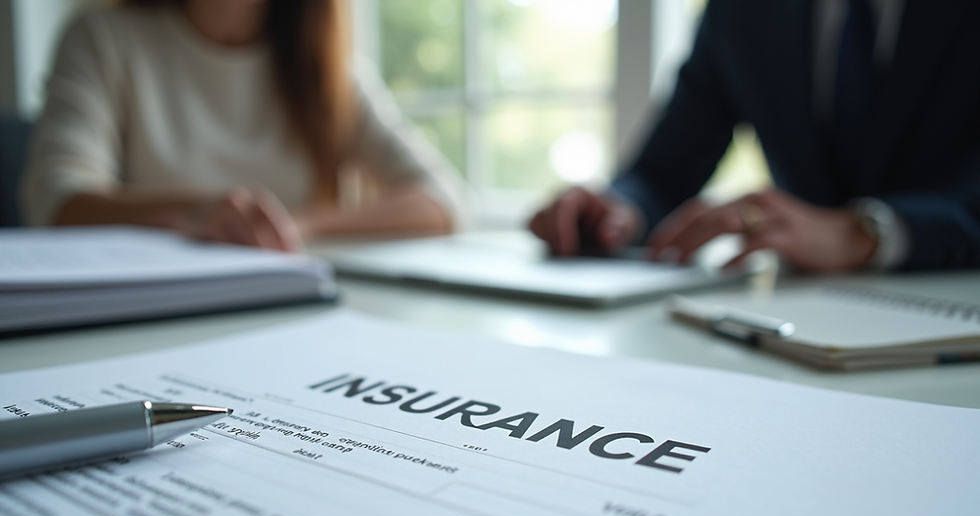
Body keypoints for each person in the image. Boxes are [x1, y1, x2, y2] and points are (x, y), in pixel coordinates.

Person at [530, 0, 980, 272]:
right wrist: (616, 210)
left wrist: (872, 232)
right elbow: (661, 176)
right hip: (797, 316)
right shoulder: (742, 10)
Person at [20, 0, 465, 252]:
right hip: (145, 315)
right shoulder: (102, 38)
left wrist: (297, 225)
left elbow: (442, 202)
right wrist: (197, 212)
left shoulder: (327, 70)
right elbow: (55, 200)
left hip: (288, 317)